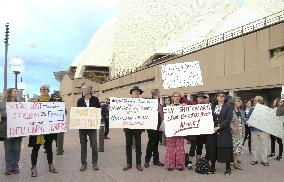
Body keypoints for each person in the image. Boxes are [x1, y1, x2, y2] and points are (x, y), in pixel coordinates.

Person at [29, 84, 58, 177]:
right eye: (41, 89)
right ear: (40, 91)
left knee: (49, 148)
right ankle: (33, 167)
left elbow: (60, 113)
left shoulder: (53, 101)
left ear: (48, 90)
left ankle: (51, 165)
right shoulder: (35, 102)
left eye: (45, 89)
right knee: (35, 149)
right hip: (37, 130)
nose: (43, 90)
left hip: (48, 130)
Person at [208, 92, 233, 175]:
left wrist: (219, 127)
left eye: (223, 96)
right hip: (213, 131)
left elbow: (228, 119)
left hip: (224, 131)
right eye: (219, 96)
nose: (221, 97)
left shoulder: (228, 106)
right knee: (213, 148)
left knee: (225, 148)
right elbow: (207, 117)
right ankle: (212, 166)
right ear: (217, 97)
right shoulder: (212, 106)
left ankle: (228, 167)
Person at [77, 84, 101, 171]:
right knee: (83, 146)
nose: (82, 90)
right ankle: (84, 164)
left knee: (94, 145)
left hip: (92, 127)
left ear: (89, 90)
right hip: (82, 127)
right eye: (82, 89)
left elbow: (99, 111)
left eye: (84, 89)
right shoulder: (80, 101)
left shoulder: (95, 99)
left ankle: (95, 163)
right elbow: (77, 113)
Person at [0, 88, 23, 175]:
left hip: (18, 131)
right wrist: (15, 113)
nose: (16, 92)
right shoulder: (2, 104)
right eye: (14, 91)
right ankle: (8, 168)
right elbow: (3, 114)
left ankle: (16, 167)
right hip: (7, 131)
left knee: (17, 150)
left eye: (16, 91)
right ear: (10, 93)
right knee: (8, 150)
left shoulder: (20, 104)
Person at [123, 86, 144, 171]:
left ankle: (138, 163)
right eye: (135, 91)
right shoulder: (126, 102)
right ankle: (129, 163)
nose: (137, 92)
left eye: (138, 91)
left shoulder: (143, 103)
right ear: (131, 93)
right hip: (128, 127)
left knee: (138, 145)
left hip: (138, 127)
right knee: (128, 145)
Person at [186, 91, 208, 170]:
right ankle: (190, 162)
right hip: (194, 130)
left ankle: (198, 160)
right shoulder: (193, 104)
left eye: (203, 98)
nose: (202, 99)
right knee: (193, 146)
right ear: (197, 98)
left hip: (202, 130)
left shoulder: (206, 107)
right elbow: (186, 102)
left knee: (200, 146)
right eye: (200, 98)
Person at [164, 91, 185, 171]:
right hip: (171, 130)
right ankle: (170, 164)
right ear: (172, 98)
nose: (177, 98)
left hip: (180, 130)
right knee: (170, 148)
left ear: (180, 98)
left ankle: (180, 165)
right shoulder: (168, 107)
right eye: (175, 96)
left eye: (178, 96)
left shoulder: (183, 107)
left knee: (180, 148)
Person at [247, 96, 270, 166]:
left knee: (264, 146)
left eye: (256, 100)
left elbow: (269, 119)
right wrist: (248, 121)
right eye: (254, 101)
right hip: (254, 130)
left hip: (263, 130)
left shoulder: (266, 109)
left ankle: (264, 160)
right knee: (254, 145)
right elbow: (247, 118)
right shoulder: (251, 109)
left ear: (260, 101)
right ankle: (254, 159)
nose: (254, 102)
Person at [144, 89, 164, 168]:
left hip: (159, 127)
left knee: (156, 144)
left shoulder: (159, 103)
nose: (159, 94)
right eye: (159, 93)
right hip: (152, 127)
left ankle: (156, 160)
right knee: (151, 144)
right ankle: (147, 160)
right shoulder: (150, 103)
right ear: (156, 94)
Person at [230, 97, 245, 170]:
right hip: (234, 133)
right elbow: (228, 121)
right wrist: (233, 128)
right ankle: (230, 164)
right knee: (233, 149)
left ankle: (235, 163)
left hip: (241, 133)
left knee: (238, 149)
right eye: (237, 101)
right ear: (233, 102)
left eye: (239, 101)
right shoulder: (231, 111)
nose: (239, 102)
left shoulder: (240, 111)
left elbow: (243, 120)